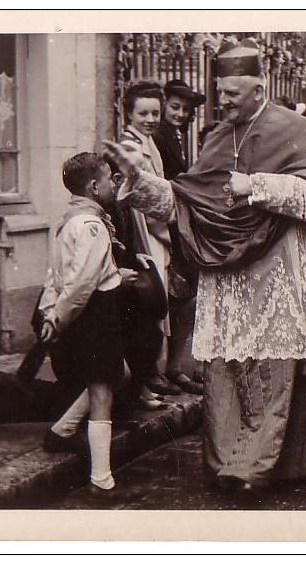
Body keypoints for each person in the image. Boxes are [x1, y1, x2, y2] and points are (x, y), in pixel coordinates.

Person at [103, 38, 306, 493]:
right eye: (220, 90)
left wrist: (256, 186)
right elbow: (186, 206)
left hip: (280, 272)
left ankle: (261, 465)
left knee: (277, 368)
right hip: (229, 279)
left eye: (232, 92)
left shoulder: (295, 127)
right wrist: (141, 178)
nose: (222, 100)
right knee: (227, 368)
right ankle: (228, 460)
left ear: (258, 87)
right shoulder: (215, 137)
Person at [36, 152, 138, 494]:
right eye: (110, 178)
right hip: (95, 314)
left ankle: (61, 431)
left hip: (85, 311)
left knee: (118, 373)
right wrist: (58, 317)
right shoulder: (93, 225)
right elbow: (82, 282)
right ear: (94, 186)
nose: (114, 183)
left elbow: (59, 273)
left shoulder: (69, 220)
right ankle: (102, 480)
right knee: (102, 392)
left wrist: (52, 309)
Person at [118, 80, 178, 404]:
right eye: (143, 113)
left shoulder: (149, 142)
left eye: (155, 112)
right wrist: (167, 234)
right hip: (144, 232)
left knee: (156, 308)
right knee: (148, 308)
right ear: (129, 113)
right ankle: (145, 382)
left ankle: (150, 379)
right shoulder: (131, 146)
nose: (151, 118)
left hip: (153, 229)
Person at [153, 79, 207, 395]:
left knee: (184, 298)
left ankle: (176, 366)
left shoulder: (175, 135)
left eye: (185, 110)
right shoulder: (159, 136)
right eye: (175, 107)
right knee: (174, 297)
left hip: (177, 220)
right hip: (165, 223)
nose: (180, 114)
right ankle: (166, 370)